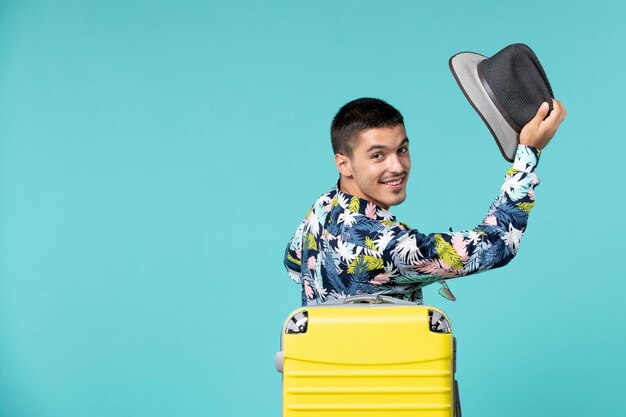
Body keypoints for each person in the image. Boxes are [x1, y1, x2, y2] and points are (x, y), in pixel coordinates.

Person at [284, 97, 566, 306]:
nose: (397, 166)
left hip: (323, 381)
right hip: (389, 382)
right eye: (378, 155)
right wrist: (528, 154)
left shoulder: (324, 207)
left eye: (402, 149)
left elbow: (293, 260)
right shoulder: (390, 247)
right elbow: (498, 243)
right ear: (344, 164)